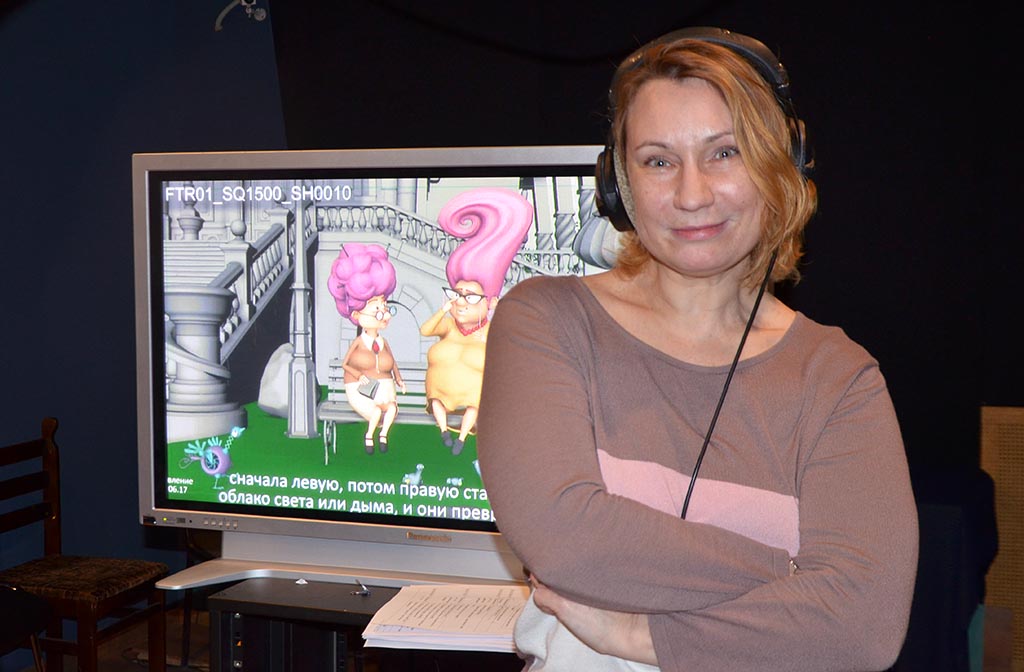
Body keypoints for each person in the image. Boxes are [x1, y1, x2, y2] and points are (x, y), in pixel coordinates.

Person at [477, 27, 918, 672]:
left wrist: (642, 637)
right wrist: (800, 583)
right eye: (658, 161)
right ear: (618, 186)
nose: (692, 195)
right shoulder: (546, 321)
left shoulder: (838, 378)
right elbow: (567, 539)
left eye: (724, 153)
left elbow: (865, 626)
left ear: (782, 166)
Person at [420, 187, 532, 455]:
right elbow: (425, 330)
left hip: (473, 399)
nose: (460, 302)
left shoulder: (493, 332)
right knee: (436, 402)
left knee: (475, 404)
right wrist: (443, 309)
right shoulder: (449, 325)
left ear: (490, 303)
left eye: (469, 297)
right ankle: (445, 432)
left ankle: (461, 440)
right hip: (440, 395)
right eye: (457, 294)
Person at [328, 242, 406, 454]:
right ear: (356, 314)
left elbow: (393, 364)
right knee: (376, 412)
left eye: (385, 308)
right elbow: (346, 364)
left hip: (386, 389)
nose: (385, 315)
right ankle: (369, 437)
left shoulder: (383, 342)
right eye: (377, 310)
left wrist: (399, 380)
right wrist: (359, 375)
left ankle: (383, 436)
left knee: (391, 409)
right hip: (361, 389)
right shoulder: (358, 343)